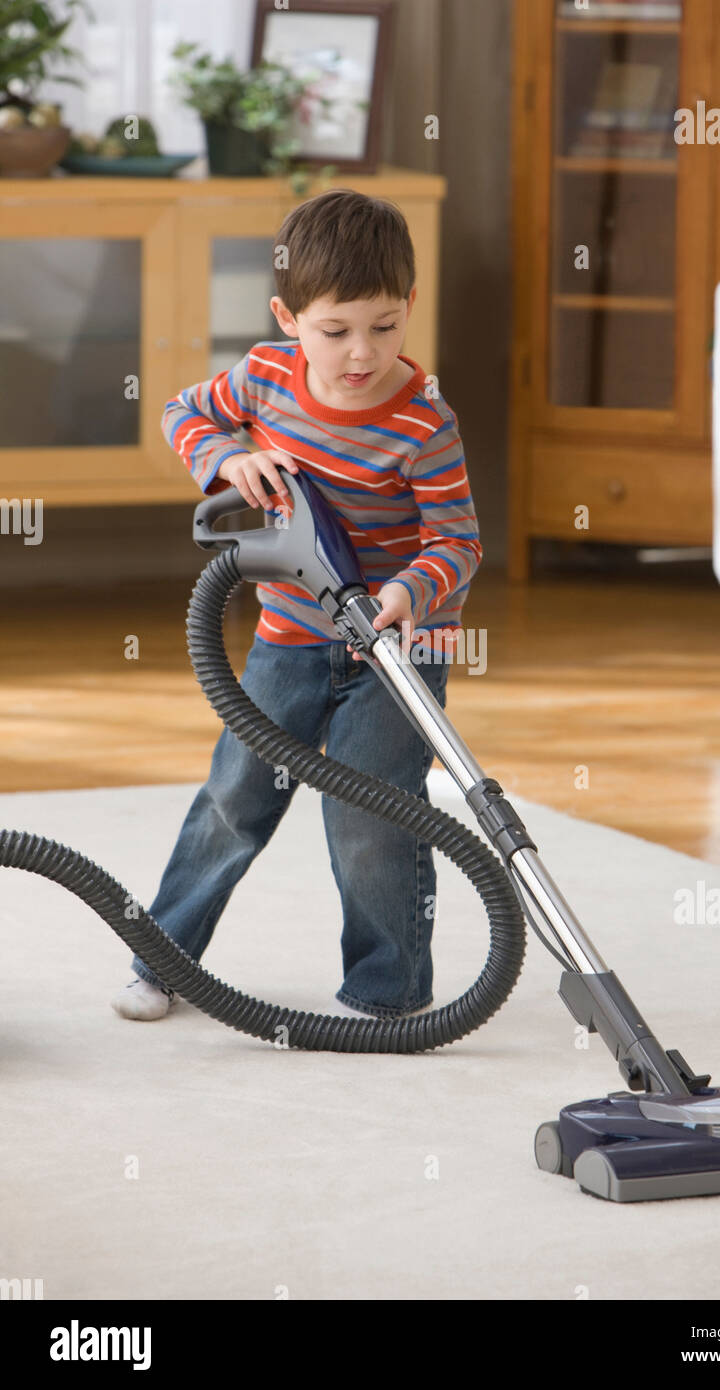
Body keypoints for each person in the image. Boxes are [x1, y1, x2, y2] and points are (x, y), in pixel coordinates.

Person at [112, 188, 482, 1023]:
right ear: (289, 317)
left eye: (385, 327)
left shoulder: (424, 425)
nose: (361, 354)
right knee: (234, 793)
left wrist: (404, 591)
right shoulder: (266, 378)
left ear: (410, 307)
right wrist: (226, 458)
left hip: (395, 652)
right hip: (289, 634)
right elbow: (183, 411)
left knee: (370, 812)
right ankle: (163, 960)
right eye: (337, 330)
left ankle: (388, 992)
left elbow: (458, 543)